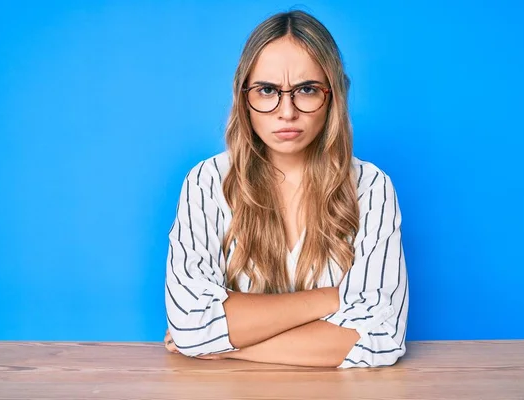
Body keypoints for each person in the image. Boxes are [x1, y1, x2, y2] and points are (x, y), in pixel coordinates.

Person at [163, 9, 409, 369]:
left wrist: (227, 345)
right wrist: (328, 300)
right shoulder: (206, 182)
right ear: (244, 96)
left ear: (333, 96)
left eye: (307, 90)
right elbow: (190, 323)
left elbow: (382, 340)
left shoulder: (371, 188)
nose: (287, 111)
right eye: (267, 91)